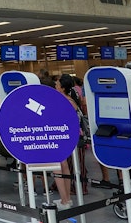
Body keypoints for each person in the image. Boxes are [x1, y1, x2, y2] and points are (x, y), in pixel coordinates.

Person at [52, 74, 79, 210]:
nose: (55, 86)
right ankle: (67, 198)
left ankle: (64, 200)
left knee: (57, 166)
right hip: (69, 137)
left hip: (58, 136)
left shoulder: (59, 100)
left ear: (62, 88)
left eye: (57, 85)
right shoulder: (72, 100)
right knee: (65, 166)